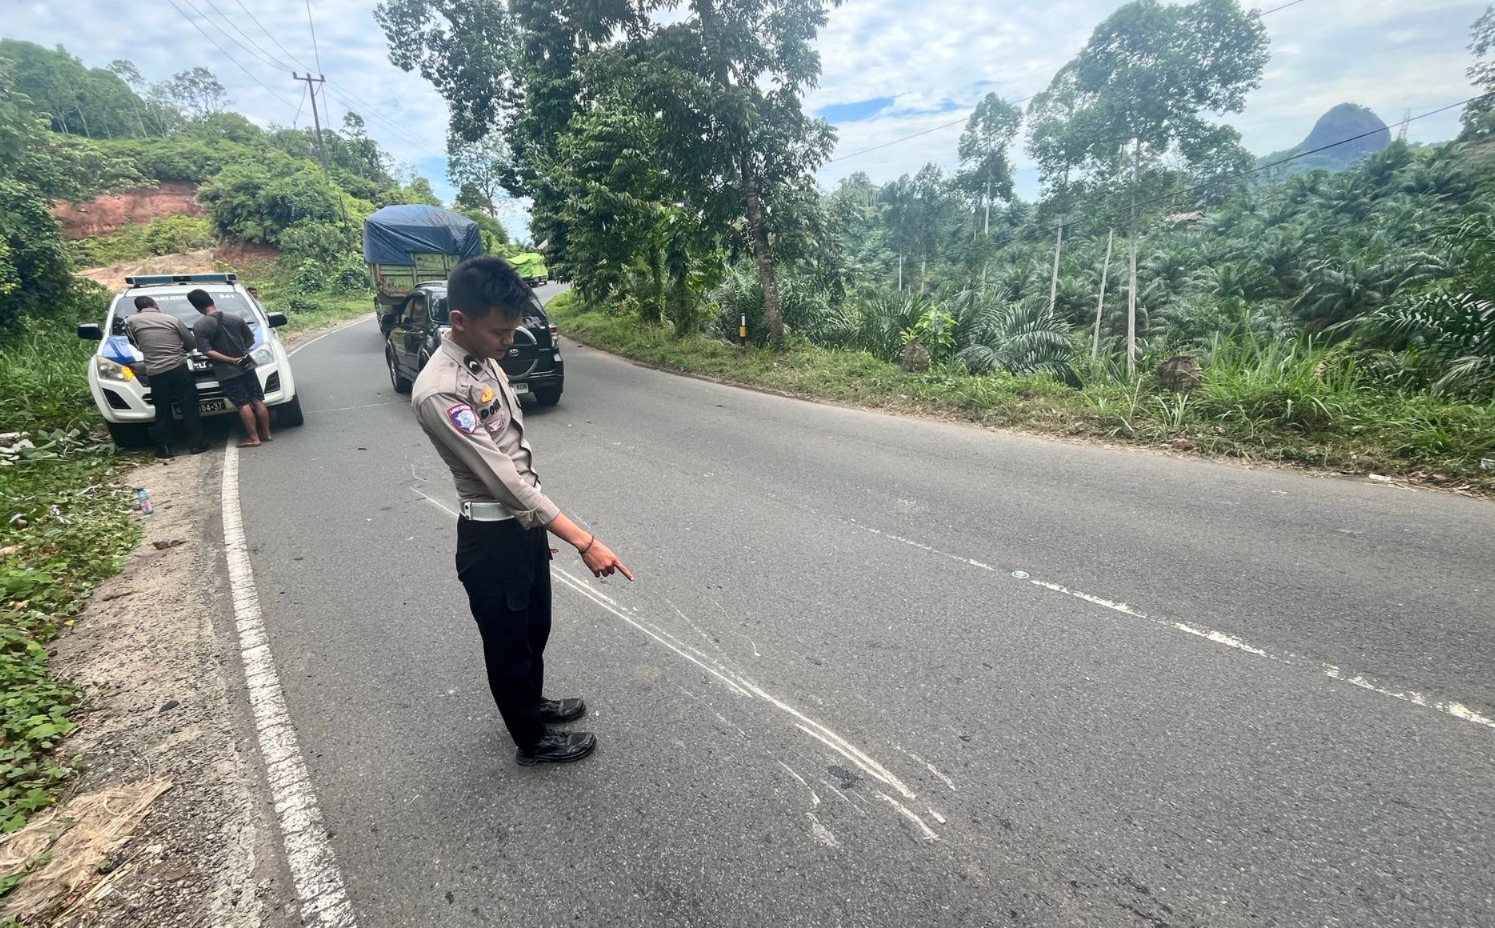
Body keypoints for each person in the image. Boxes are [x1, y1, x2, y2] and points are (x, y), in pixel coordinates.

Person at [412, 256, 633, 767]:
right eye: (499, 331)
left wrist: (534, 526)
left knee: (535, 628)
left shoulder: (482, 356)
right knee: (509, 644)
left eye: (513, 330)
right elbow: (504, 480)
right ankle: (530, 740)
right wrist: (586, 540)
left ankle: (531, 704)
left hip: (520, 527)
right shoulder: (441, 390)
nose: (507, 341)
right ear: (461, 320)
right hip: (492, 538)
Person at [123, 295, 209, 458]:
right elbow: (191, 343)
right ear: (155, 305)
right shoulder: (172, 319)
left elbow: (135, 344)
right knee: (189, 405)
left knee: (162, 408)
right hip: (179, 367)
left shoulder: (130, 321)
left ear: (138, 309)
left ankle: (165, 448)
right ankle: (196, 444)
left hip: (156, 371)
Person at [188, 289, 271, 448]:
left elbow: (207, 351)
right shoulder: (235, 318)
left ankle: (253, 438)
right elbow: (250, 340)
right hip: (246, 364)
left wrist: (230, 360)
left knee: (242, 403)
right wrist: (239, 352)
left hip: (226, 371)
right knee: (257, 399)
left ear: (196, 307)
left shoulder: (200, 326)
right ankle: (266, 433)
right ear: (211, 300)